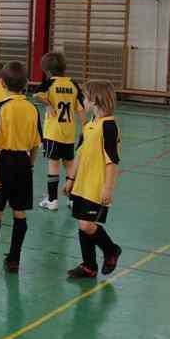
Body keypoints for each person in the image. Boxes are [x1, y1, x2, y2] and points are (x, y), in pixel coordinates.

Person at [0, 62, 42, 276]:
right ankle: (14, 260)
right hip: (23, 163)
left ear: (2, 83)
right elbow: (36, 144)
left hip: (3, 162)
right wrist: (30, 165)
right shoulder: (33, 109)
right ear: (26, 84)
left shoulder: (0, 108)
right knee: (19, 212)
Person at [63, 80, 122, 279]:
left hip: (97, 185)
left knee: (86, 225)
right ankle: (89, 266)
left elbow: (112, 161)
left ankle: (111, 250)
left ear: (95, 100)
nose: (82, 101)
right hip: (82, 184)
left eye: (85, 97)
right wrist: (71, 178)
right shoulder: (89, 125)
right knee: (82, 222)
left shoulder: (109, 126)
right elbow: (79, 154)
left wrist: (108, 188)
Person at [33, 52, 87, 211]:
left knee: (53, 164)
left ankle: (52, 200)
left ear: (46, 71)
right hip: (69, 133)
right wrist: (86, 128)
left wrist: (48, 104)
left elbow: (36, 95)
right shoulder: (73, 84)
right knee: (70, 165)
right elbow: (81, 109)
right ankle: (73, 199)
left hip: (53, 133)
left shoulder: (50, 83)